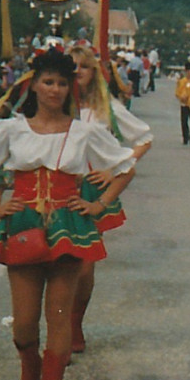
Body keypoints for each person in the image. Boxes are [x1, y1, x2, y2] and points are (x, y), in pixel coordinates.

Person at [0, 50, 135, 380]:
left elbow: (124, 165)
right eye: (47, 81)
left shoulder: (84, 131)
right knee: (24, 323)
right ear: (34, 85)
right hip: (22, 225)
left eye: (60, 83)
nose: (54, 89)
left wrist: (99, 204)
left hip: (69, 227)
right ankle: (29, 364)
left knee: (58, 319)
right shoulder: (11, 128)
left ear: (68, 87)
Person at [70, 44, 152, 354]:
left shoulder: (106, 108)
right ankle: (60, 327)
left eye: (84, 66)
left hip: (92, 188)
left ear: (94, 73)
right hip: (59, 187)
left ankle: (75, 321)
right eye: (72, 66)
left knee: (85, 267)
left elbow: (144, 139)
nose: (77, 72)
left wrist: (112, 170)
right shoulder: (56, 106)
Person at [174, 63, 190, 146]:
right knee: (184, 121)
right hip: (184, 104)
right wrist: (181, 97)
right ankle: (185, 137)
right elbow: (177, 92)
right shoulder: (182, 81)